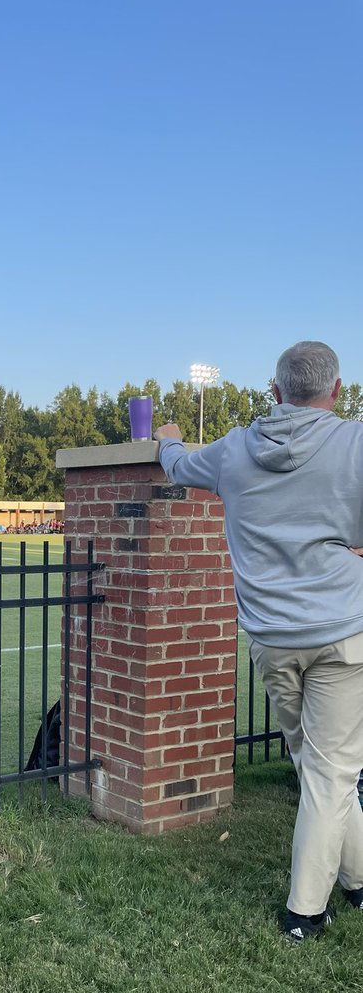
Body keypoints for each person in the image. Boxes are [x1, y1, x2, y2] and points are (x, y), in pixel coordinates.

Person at [155, 340, 363, 941]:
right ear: (338, 390)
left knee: (318, 763)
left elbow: (176, 466)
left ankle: (355, 882)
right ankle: (305, 913)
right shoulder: (353, 442)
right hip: (345, 631)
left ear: (274, 393)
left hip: (272, 636)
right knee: (330, 773)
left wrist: (169, 437)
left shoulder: (234, 450)